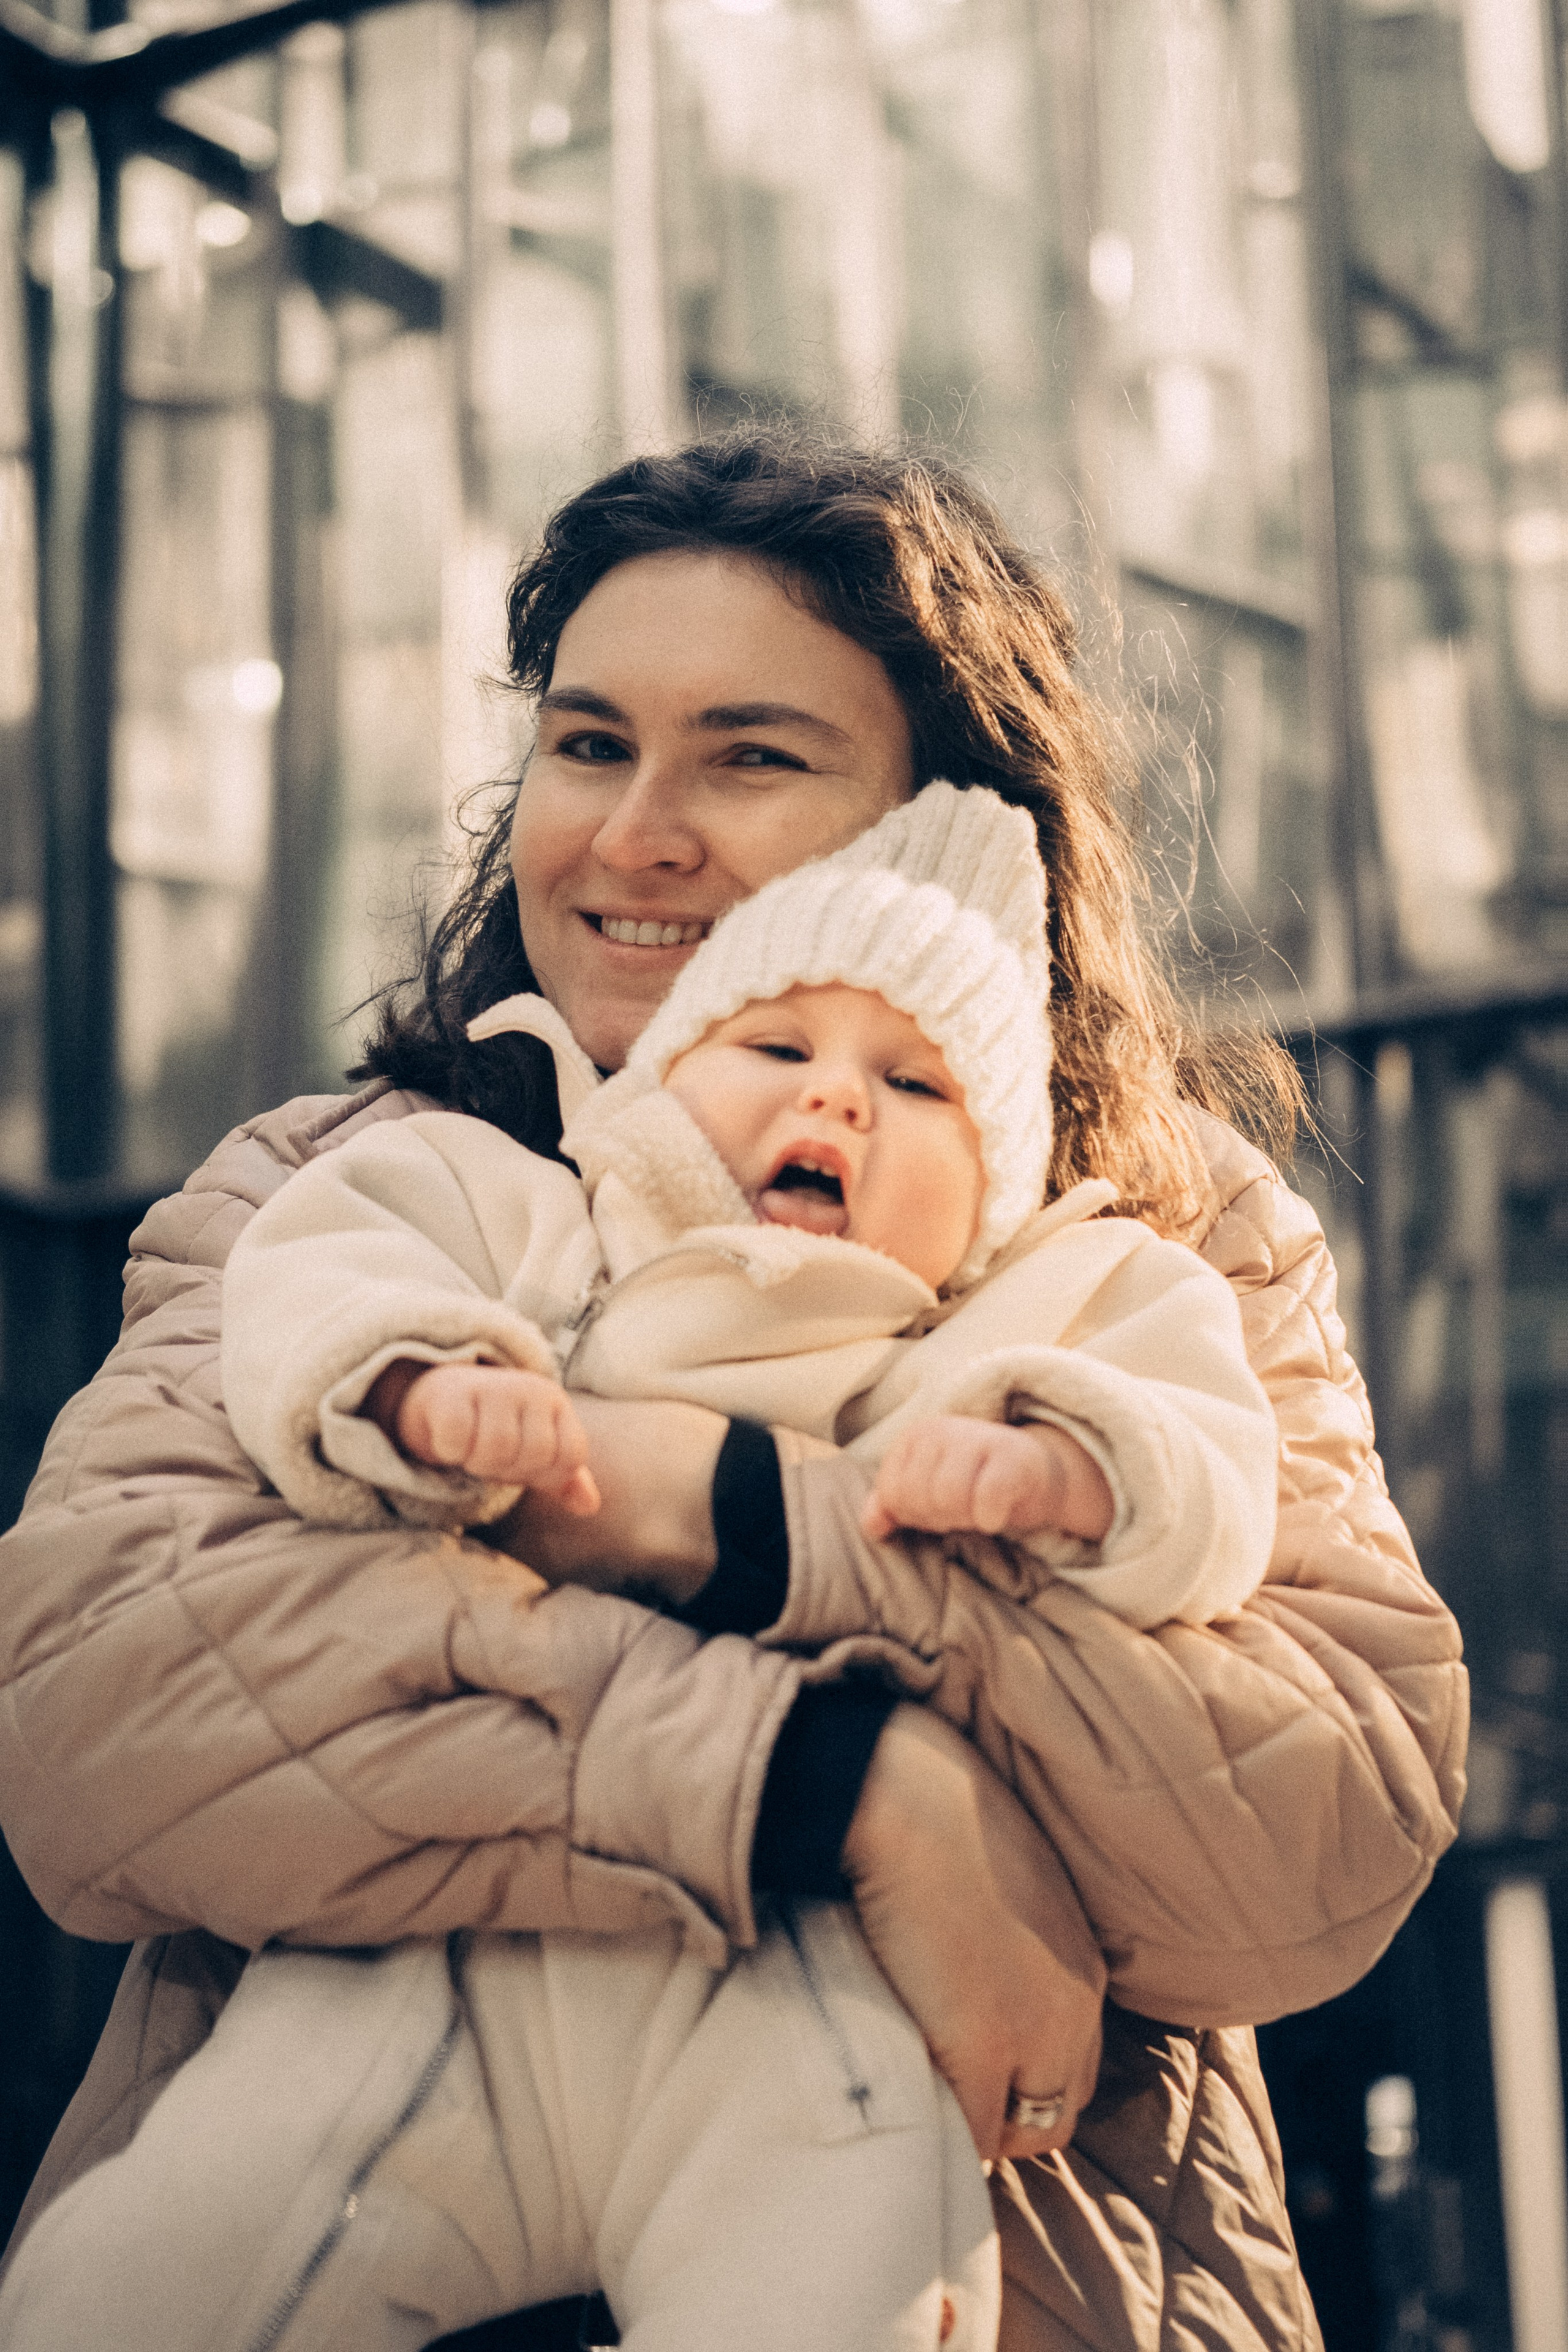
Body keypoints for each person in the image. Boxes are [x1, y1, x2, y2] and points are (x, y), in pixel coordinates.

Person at [0, 434, 1466, 2352]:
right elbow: (114, 1712)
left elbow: (1316, 1825)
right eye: (590, 742)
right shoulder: (324, 1192)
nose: (632, 834)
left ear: (946, 830)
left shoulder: (1169, 1241)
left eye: (751, 757)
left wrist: (732, 1513)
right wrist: (845, 1786)